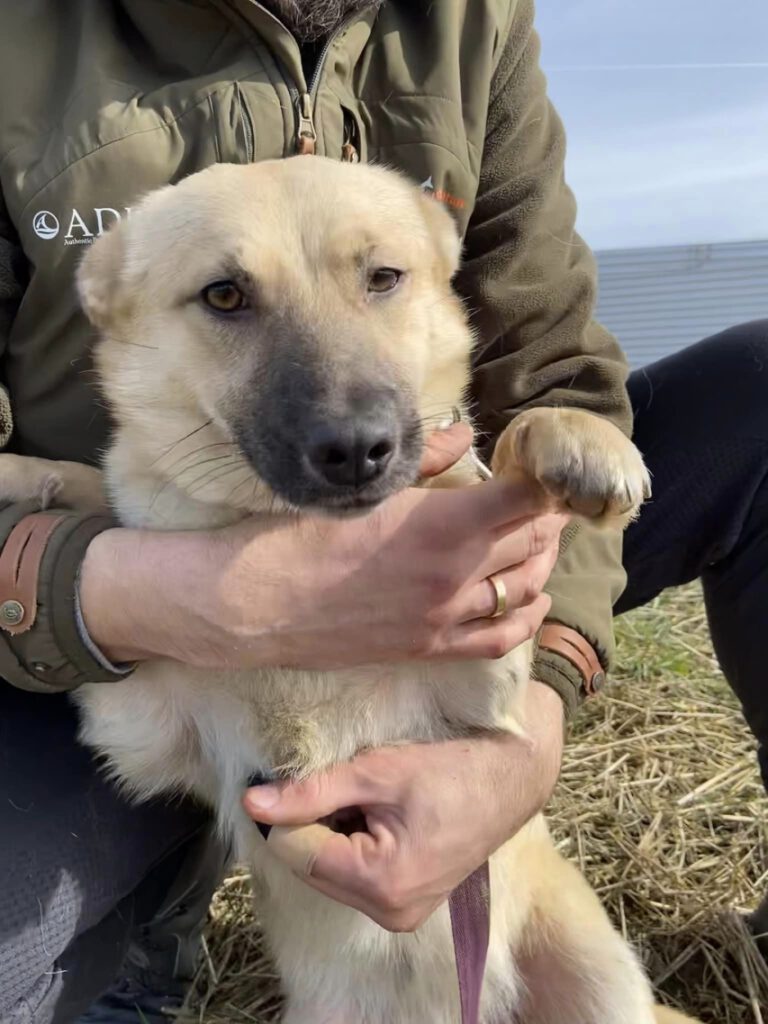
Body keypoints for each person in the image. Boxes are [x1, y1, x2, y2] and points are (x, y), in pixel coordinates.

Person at [0, 1, 764, 1020]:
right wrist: (147, 592)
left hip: (457, 533)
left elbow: (553, 365)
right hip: (108, 589)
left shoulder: (471, 21)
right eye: (231, 299)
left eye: (383, 278)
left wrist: (523, 737)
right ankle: (147, 937)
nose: (345, 418)